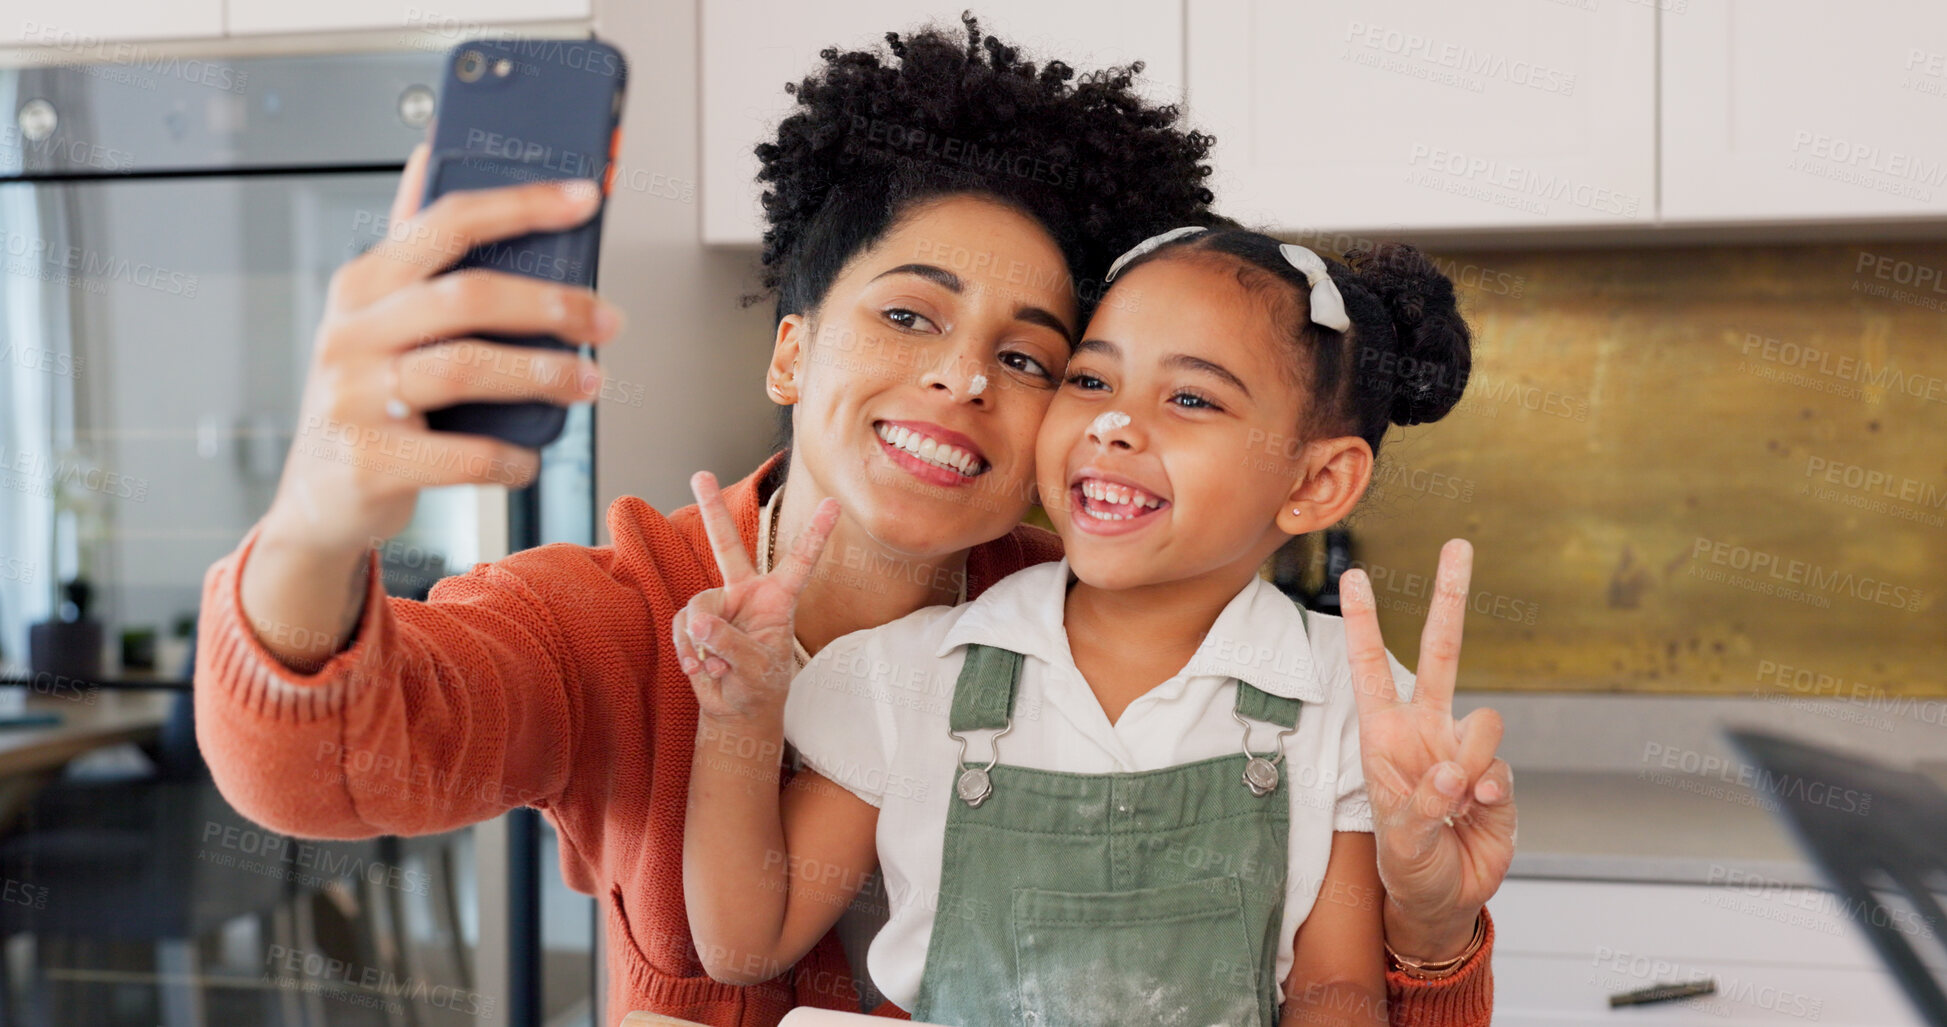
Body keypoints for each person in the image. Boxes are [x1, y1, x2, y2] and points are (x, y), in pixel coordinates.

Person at [193, 17, 1508, 1026]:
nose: (960, 376)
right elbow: (311, 770)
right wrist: (319, 510)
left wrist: (1434, 925)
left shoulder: (1114, 617)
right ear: (788, 350)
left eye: (1035, 354)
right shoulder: (611, 618)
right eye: (908, 313)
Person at [677, 226, 1501, 1026]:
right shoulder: (911, 671)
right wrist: (738, 715)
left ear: (1317, 481)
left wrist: (1428, 909)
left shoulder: (1346, 704)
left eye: (1189, 397)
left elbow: (1335, 994)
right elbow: (744, 944)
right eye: (1090, 382)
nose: (1112, 424)